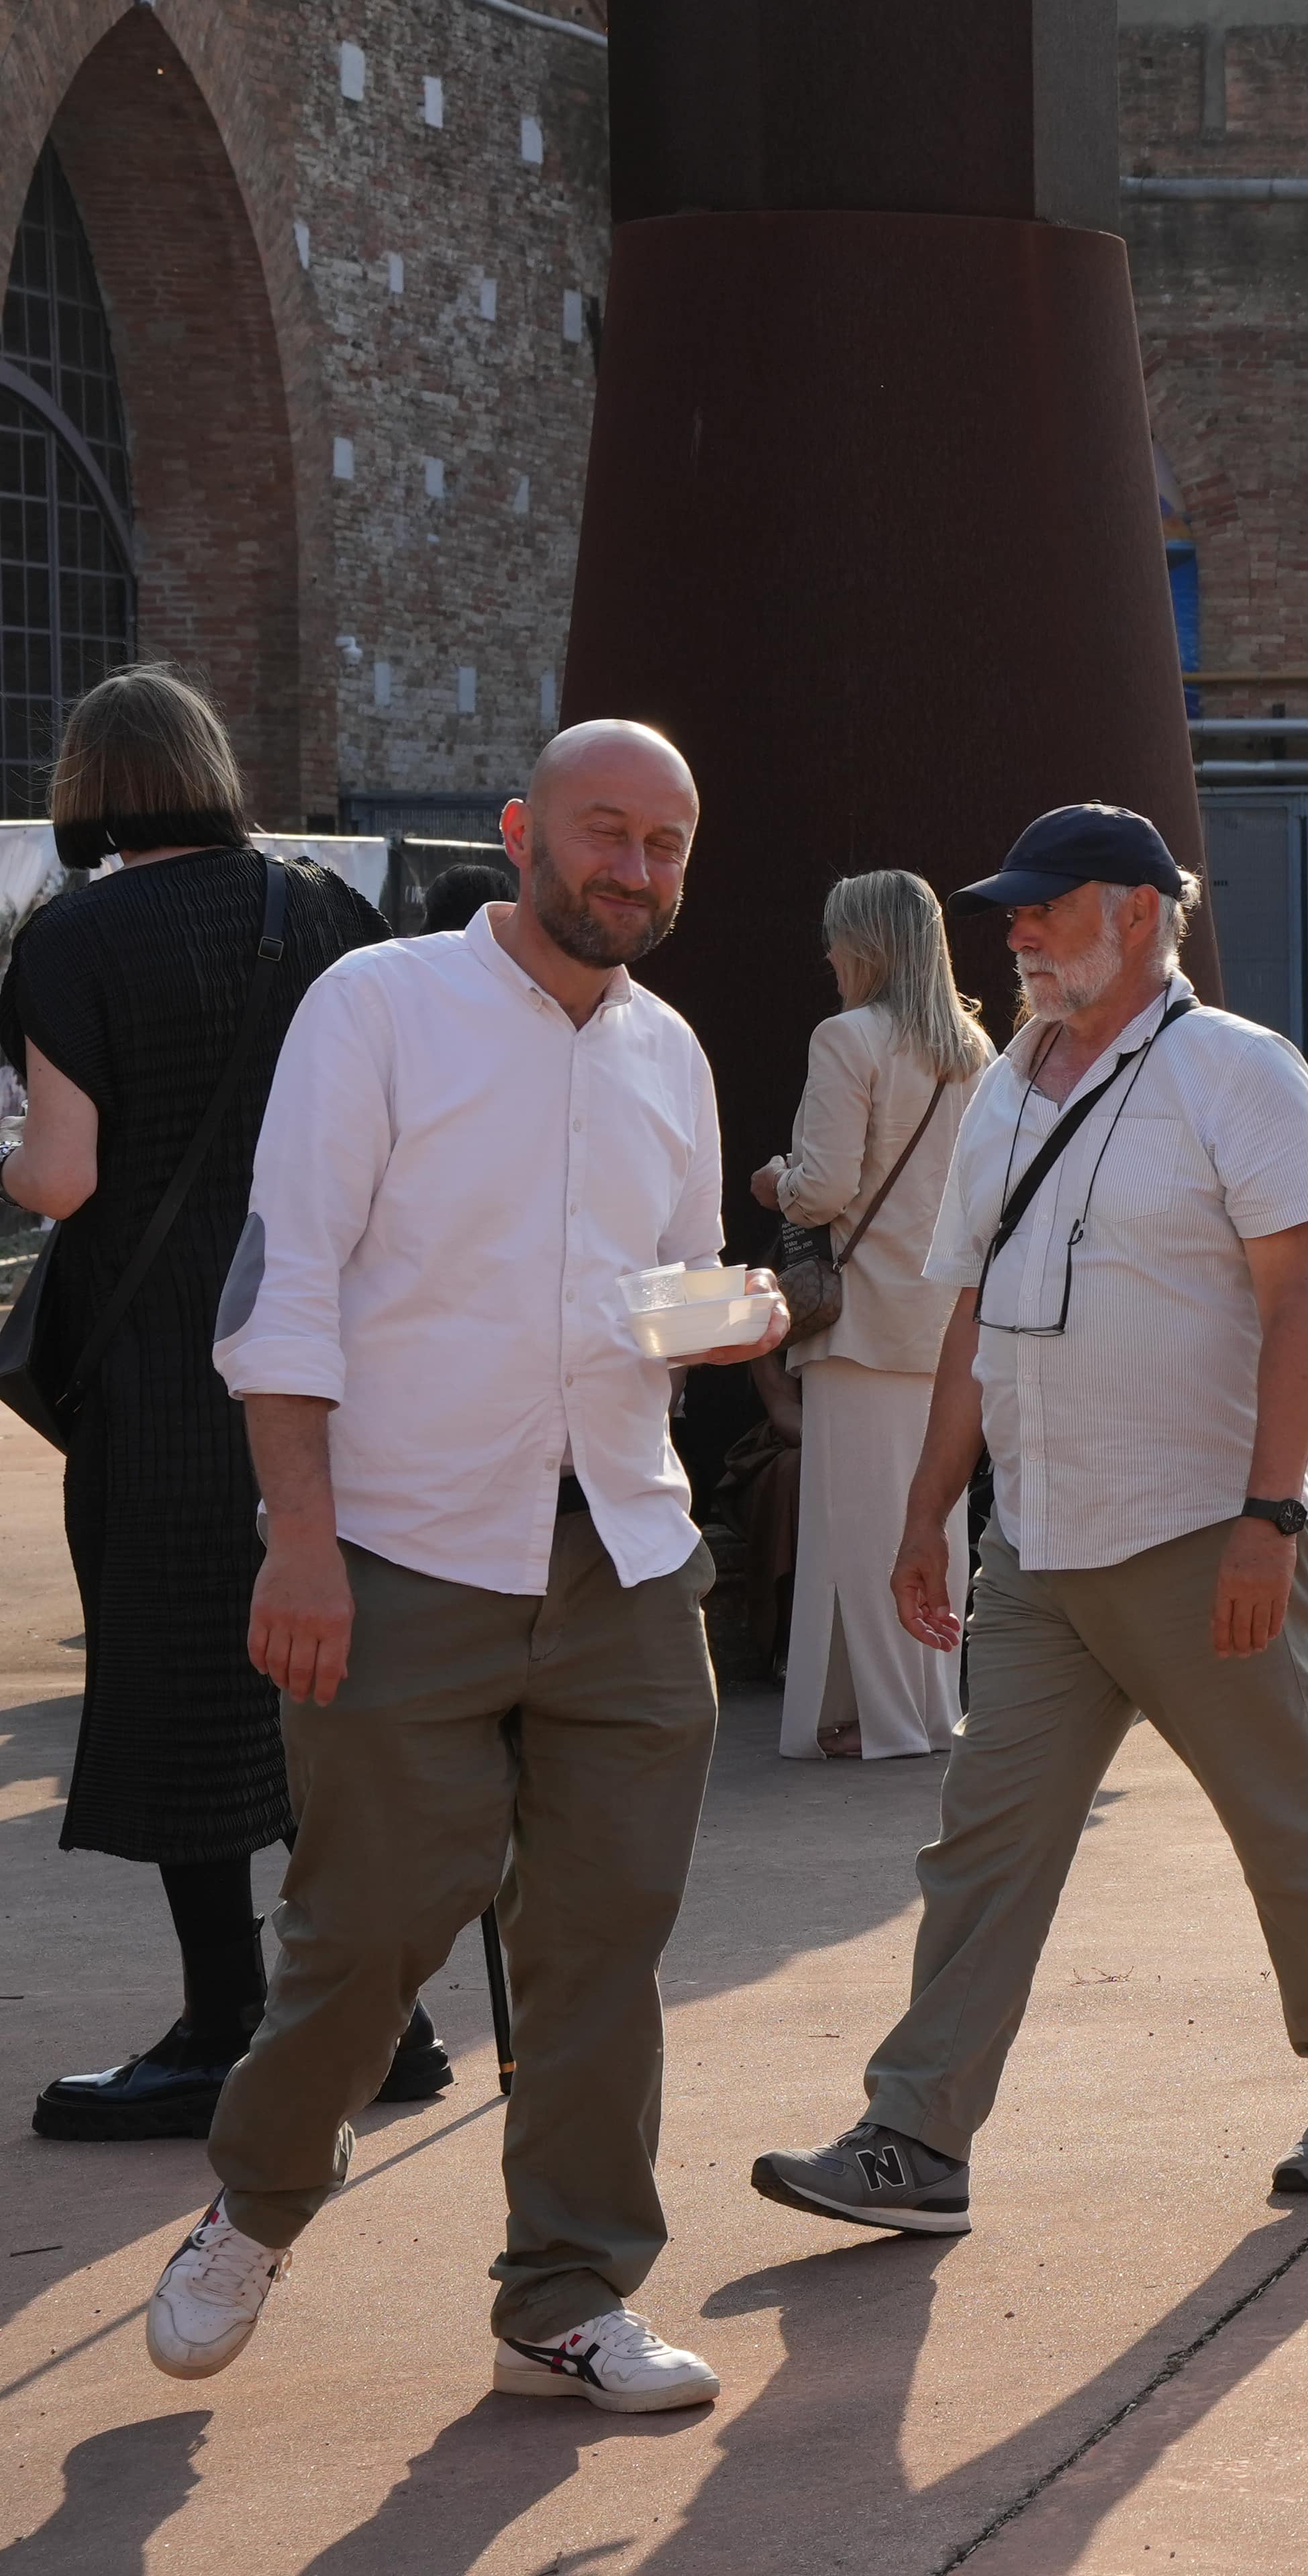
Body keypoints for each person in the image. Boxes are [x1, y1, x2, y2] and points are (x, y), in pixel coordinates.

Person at [150, 720, 781, 2410]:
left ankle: (568, 2293)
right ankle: (257, 2203)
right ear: (521, 830)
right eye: (604, 829)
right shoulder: (380, 1005)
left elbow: (662, 1293)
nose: (633, 868)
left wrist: (731, 1312)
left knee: (604, 1946)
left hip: (626, 1556)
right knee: (364, 1935)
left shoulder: (671, 1052)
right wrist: (300, 1542)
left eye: (665, 842)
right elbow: (285, 1282)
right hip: (405, 1548)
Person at [752, 802, 1308, 2244]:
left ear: (1135, 911)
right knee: (982, 1851)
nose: (1018, 932)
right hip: (1038, 1544)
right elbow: (972, 1316)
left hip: (1197, 1529)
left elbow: (1297, 1306)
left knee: (1287, 1822)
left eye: (1045, 906)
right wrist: (927, 1512)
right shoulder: (1004, 1086)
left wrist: (1268, 1517)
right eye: (1011, 911)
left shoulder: (1237, 1069)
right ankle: (916, 2135)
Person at [5, 668, 410, 2145]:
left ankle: (225, 2023)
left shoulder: (72, 937)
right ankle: (384, 2017)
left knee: (186, 1687)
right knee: (325, 1688)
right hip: (333, 1349)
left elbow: (63, 1178)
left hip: (169, 1367)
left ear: (86, 787)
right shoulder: (330, 913)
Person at [748, 869, 985, 1761]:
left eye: (837, 936)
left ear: (866, 945)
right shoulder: (975, 1049)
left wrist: (774, 1181)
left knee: (853, 1533)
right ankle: (919, 1708)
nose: (828, 953)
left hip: (861, 1325)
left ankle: (880, 1722)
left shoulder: (847, 1038)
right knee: (932, 1526)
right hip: (946, 1325)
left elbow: (821, 1191)